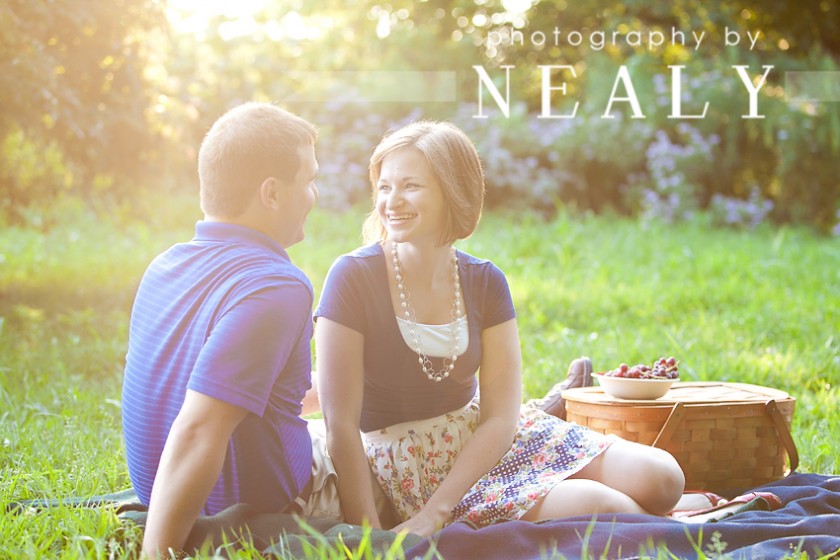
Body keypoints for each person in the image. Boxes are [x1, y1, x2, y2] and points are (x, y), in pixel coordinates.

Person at [313, 121, 686, 537]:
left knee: (664, 477)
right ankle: (660, 522)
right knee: (607, 507)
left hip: (492, 441)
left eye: (410, 186)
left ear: (453, 192)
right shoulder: (352, 276)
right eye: (384, 187)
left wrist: (440, 511)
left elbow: (501, 416)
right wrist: (370, 536)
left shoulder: (485, 280)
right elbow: (339, 423)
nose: (392, 201)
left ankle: (664, 514)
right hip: (420, 465)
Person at [122, 102, 326, 558]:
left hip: (158, 484)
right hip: (253, 501)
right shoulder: (277, 285)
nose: (315, 194)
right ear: (271, 193)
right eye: (309, 180)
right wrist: (160, 551)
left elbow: (213, 387)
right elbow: (198, 429)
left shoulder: (164, 265)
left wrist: (333, 393)